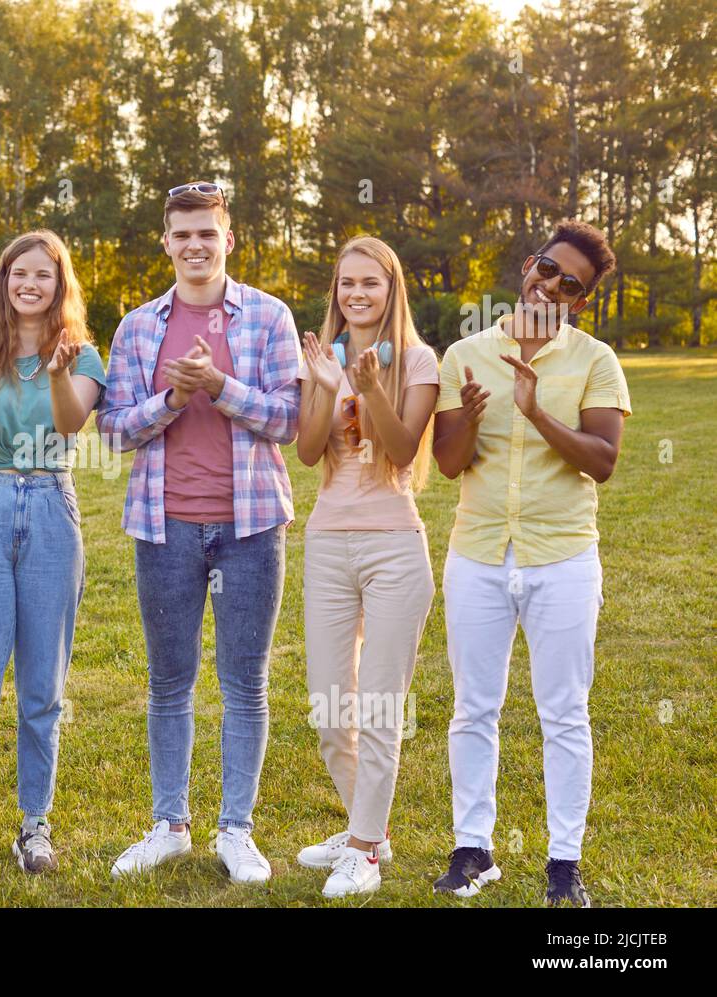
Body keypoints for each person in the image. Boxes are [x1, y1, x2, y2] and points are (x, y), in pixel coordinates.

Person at [101, 182, 301, 884]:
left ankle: (237, 829)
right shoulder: (137, 327)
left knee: (246, 681)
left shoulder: (269, 318)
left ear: (228, 239)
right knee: (169, 680)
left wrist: (219, 386)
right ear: (166, 241)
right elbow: (114, 429)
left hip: (251, 525)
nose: (195, 246)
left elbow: (289, 420)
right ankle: (170, 824)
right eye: (182, 234)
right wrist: (172, 399)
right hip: (165, 527)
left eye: (207, 234)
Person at [431, 219, 631, 906]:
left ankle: (562, 864)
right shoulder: (464, 353)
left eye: (570, 283)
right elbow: (448, 462)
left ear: (582, 299)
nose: (551, 285)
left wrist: (538, 413)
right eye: (547, 269)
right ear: (528, 265)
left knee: (564, 712)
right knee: (473, 707)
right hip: (479, 552)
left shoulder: (595, 361)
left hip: (562, 557)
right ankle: (472, 850)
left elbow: (602, 462)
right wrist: (465, 416)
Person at [0, 230, 106, 882]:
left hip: (50, 508)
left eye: (43, 274)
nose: (29, 284)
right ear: (4, 282)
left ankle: (35, 823)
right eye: (18, 274)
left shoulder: (83, 354)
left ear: (59, 284)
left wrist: (61, 373)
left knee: (44, 688)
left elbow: (70, 426)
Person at [294, 236, 438, 897]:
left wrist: (372, 386)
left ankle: (362, 851)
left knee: (380, 706)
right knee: (330, 709)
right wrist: (327, 388)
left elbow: (404, 449)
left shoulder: (417, 360)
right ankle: (368, 828)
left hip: (393, 548)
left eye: (369, 283)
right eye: (346, 283)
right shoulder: (321, 358)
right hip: (328, 543)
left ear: (390, 289)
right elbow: (305, 451)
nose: (356, 294)